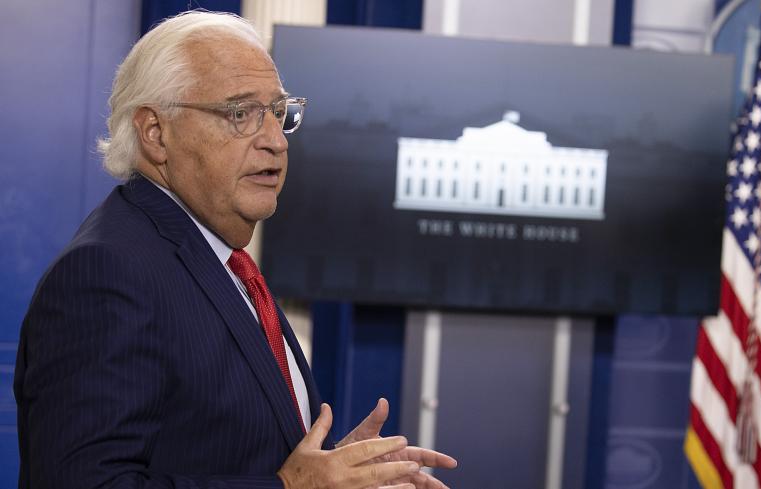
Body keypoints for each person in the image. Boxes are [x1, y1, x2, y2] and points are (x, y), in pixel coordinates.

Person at [14, 10, 456, 489]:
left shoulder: (220, 256)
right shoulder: (108, 272)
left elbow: (224, 449)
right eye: (239, 114)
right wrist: (292, 488)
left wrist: (336, 473)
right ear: (156, 133)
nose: (274, 142)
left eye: (279, 112)